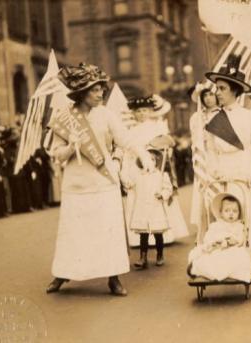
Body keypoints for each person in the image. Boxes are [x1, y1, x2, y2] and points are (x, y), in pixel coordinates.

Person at [45, 62, 154, 296]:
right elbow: (56, 154)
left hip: (105, 182)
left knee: (108, 231)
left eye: (101, 89)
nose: (100, 93)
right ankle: (63, 273)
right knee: (73, 232)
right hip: (76, 184)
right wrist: (70, 145)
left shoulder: (106, 115)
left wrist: (143, 155)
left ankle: (113, 277)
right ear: (82, 93)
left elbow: (125, 139)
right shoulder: (65, 118)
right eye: (95, 90)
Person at [204, 54, 251, 270]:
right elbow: (210, 150)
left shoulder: (250, 117)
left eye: (222, 88)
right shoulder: (213, 120)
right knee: (223, 215)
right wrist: (213, 171)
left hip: (244, 171)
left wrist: (249, 174)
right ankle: (226, 262)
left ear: (235, 91)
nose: (217, 93)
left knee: (247, 214)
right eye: (216, 88)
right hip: (222, 171)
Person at [123, 95, 189, 247]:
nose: (141, 114)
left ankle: (163, 234)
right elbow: (127, 153)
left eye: (145, 110)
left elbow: (166, 149)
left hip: (155, 168)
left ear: (150, 112)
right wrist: (125, 173)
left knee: (157, 198)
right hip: (136, 169)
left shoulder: (156, 128)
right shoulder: (130, 132)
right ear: (133, 113)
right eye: (138, 111)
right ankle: (139, 236)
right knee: (138, 200)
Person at [120, 143, 173, 268]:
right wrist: (123, 172)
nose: (150, 162)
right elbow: (128, 184)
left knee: (158, 234)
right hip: (142, 209)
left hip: (155, 208)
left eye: (153, 159)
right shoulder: (138, 176)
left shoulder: (161, 175)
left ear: (156, 162)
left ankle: (160, 255)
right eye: (147, 159)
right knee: (143, 235)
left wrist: (162, 194)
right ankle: (143, 257)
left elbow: (168, 188)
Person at [188, 193, 251, 283]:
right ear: (221, 213)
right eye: (227, 211)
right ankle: (201, 268)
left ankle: (225, 272)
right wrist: (213, 242)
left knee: (238, 258)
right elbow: (208, 237)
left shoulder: (239, 226)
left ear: (239, 213)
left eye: (235, 211)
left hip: (232, 249)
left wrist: (235, 241)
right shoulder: (215, 225)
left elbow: (242, 239)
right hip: (217, 249)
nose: (231, 213)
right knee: (210, 259)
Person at [189, 81, 219, 230]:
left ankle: (220, 224)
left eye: (211, 94)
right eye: (205, 95)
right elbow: (194, 138)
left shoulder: (221, 114)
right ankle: (205, 228)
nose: (208, 98)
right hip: (203, 156)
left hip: (217, 155)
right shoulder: (197, 117)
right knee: (203, 191)